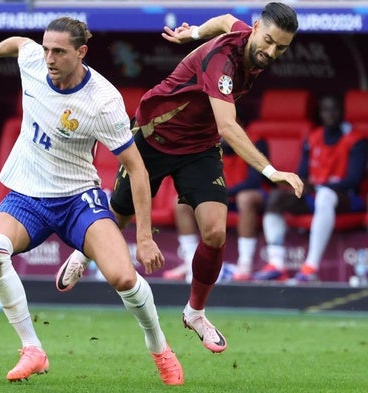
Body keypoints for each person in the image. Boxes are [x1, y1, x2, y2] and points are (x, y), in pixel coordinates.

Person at [55, 3, 304, 354]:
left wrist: (194, 33)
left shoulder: (243, 35)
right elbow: (228, 127)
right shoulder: (223, 60)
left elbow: (221, 20)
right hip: (154, 135)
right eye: (268, 41)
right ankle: (84, 253)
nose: (271, 52)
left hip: (198, 147)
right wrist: (271, 170)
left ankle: (195, 313)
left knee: (216, 231)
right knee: (120, 214)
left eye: (281, 47)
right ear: (255, 26)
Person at [0, 17, 183, 385]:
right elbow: (20, 43)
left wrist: (144, 236)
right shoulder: (34, 61)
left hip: (77, 200)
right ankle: (32, 349)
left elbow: (138, 169)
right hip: (28, 196)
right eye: (47, 48)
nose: (49, 58)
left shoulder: (102, 100)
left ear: (81, 52)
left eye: (59, 52)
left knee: (123, 278)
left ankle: (160, 347)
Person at [254, 94, 368, 282]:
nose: (329, 114)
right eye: (325, 110)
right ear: (320, 113)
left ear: (342, 113)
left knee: (325, 195)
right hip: (315, 195)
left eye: (334, 110)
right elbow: (303, 172)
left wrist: (319, 187)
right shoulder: (313, 137)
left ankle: (310, 266)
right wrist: (302, 185)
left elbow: (354, 180)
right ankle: (276, 264)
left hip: (347, 198)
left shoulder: (356, 140)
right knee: (276, 198)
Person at [164, 139, 271, 282]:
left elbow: (254, 180)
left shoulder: (256, 141)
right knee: (181, 202)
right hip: (220, 196)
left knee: (244, 199)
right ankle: (191, 262)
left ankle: (245, 263)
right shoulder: (207, 141)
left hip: (247, 195)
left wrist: (223, 192)